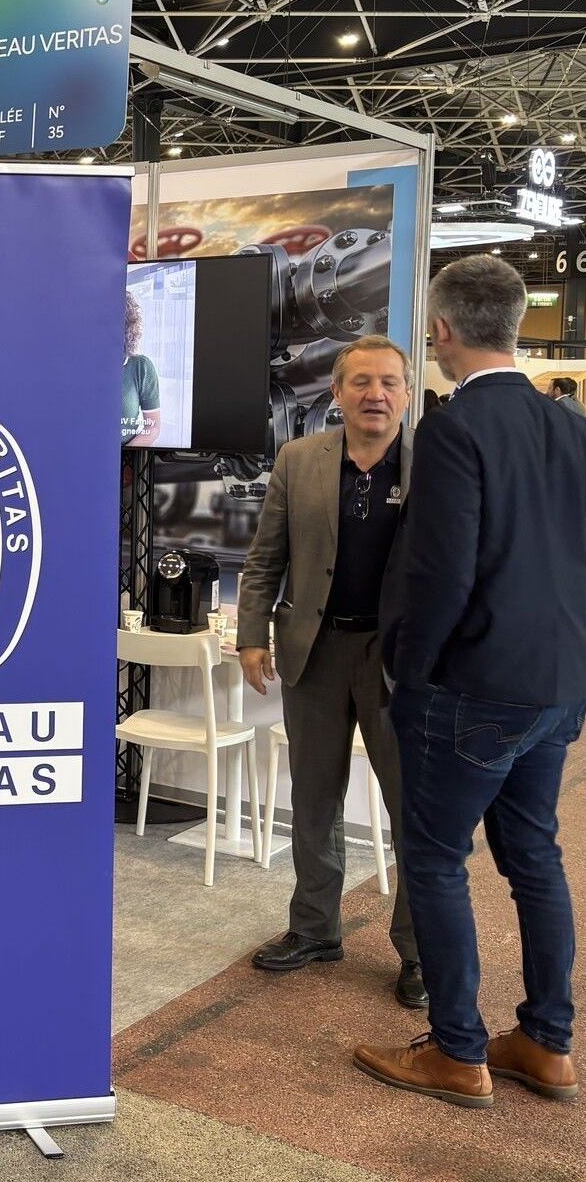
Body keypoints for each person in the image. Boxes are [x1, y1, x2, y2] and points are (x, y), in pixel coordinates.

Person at [355, 254, 586, 1108]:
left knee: (437, 860)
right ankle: (547, 1042)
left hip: (471, 688)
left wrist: (408, 674)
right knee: (534, 857)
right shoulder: (572, 427)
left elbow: (441, 572)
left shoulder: (455, 428)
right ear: (517, 325)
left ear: (442, 331)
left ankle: (457, 1050)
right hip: (556, 687)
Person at [236, 335, 422, 1008]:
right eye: (362, 381)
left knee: (413, 814)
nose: (377, 394)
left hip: (401, 663)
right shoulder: (298, 459)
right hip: (313, 651)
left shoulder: (435, 463)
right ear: (338, 393)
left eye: (390, 383)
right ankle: (315, 928)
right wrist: (251, 634)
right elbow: (265, 557)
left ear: (407, 392)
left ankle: (420, 954)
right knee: (314, 800)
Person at [123, 290, 162, 446]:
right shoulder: (77, 363)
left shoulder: (141, 366)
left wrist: (125, 456)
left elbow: (152, 427)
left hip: (126, 463)